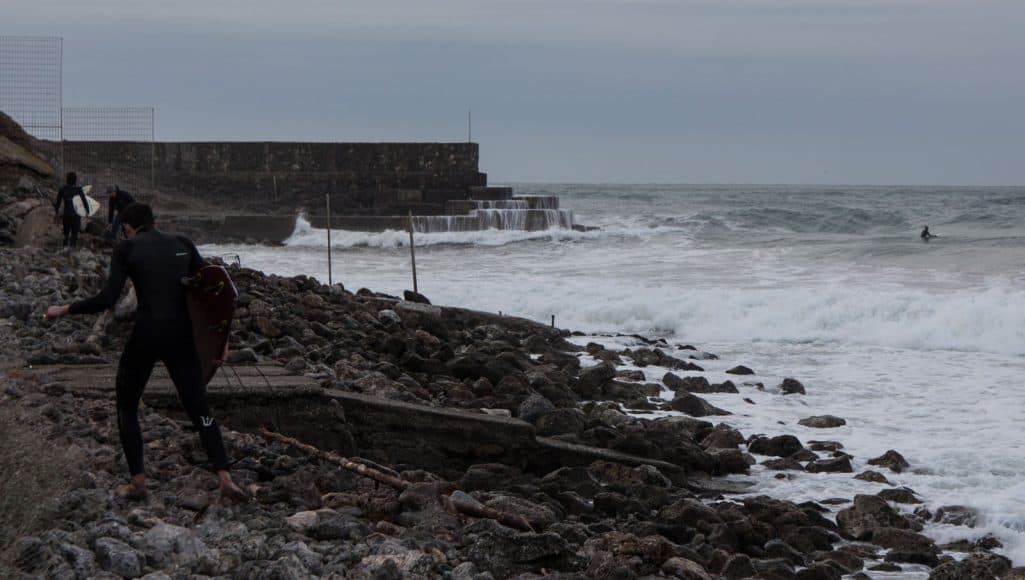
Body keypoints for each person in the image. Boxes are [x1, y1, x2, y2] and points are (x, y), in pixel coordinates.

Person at [46, 203, 247, 502]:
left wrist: (66, 308)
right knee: (200, 409)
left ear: (127, 226)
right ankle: (225, 477)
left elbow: (108, 298)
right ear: (155, 221)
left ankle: (138, 483)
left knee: (126, 406)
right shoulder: (183, 244)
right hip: (181, 337)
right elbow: (214, 293)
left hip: (147, 334)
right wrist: (222, 340)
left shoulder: (127, 248)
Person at [53, 171, 90, 249]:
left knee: (66, 232)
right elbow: (84, 201)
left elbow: (58, 202)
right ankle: (73, 248)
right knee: (74, 233)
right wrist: (87, 211)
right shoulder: (78, 189)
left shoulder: (62, 189)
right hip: (76, 215)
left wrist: (56, 212)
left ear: (67, 180)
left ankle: (65, 247)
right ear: (75, 180)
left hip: (66, 214)